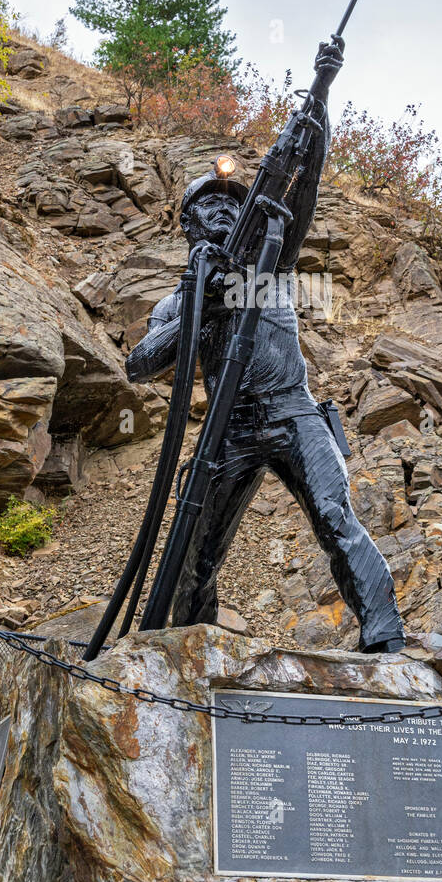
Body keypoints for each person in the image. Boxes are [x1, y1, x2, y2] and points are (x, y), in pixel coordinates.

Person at [126, 38, 405, 652]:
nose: (225, 215)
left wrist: (322, 93)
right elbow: (140, 365)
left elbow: (301, 184)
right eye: (211, 208)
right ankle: (189, 650)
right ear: (190, 225)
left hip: (292, 410)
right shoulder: (180, 299)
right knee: (196, 546)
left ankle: (385, 640)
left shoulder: (270, 262)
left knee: (336, 519)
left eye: (232, 206)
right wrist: (202, 305)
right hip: (229, 427)